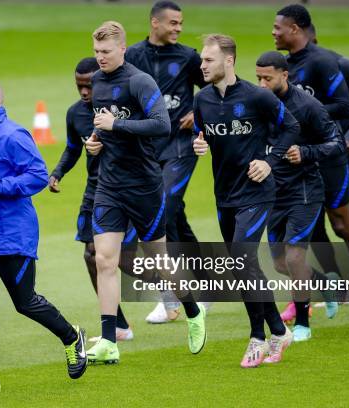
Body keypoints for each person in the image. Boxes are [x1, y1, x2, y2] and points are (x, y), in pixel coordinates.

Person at [0, 80, 87, 394]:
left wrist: (0, 188)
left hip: (12, 238)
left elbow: (37, 175)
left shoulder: (13, 135)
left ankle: (72, 337)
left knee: (25, 303)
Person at [84, 21, 206, 365]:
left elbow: (161, 124)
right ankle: (109, 340)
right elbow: (103, 128)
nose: (101, 58)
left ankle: (194, 312)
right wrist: (96, 143)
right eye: (96, 52)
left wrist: (115, 125)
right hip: (109, 185)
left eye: (106, 52)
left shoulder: (139, 81)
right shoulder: (97, 81)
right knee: (104, 259)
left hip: (145, 186)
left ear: (123, 49)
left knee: (159, 260)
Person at [193, 35, 299, 367]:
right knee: (243, 268)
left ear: (228, 61)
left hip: (257, 192)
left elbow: (291, 127)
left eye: (208, 60)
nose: (202, 66)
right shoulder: (202, 101)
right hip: (224, 195)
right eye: (201, 60)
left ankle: (258, 336)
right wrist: (200, 145)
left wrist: (270, 161)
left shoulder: (257, 97)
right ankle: (280, 331)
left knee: (241, 258)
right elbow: (200, 134)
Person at [273, 4, 349, 320]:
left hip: (334, 155)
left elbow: (346, 106)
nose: (273, 32)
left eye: (278, 27)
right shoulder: (286, 66)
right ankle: (324, 290)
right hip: (302, 157)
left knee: (342, 223)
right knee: (305, 228)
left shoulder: (328, 62)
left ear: (295, 29)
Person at [125, 0, 207, 323]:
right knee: (174, 217)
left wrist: (196, 111)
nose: (178, 29)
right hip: (146, 149)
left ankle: (171, 298)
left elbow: (219, 85)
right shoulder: (132, 56)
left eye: (181, 24)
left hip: (180, 145)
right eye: (173, 23)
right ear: (154, 23)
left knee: (166, 206)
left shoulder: (187, 57)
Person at [255, 51, 345, 341]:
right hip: (272, 193)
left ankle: (303, 324)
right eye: (258, 78)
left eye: (267, 78)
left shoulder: (308, 106)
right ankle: (324, 284)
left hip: (304, 192)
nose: (262, 84)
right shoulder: (259, 102)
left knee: (294, 258)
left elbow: (338, 143)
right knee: (281, 264)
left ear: (285, 75)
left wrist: (305, 153)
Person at [48, 57, 134, 341]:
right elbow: (73, 148)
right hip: (95, 190)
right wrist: (58, 172)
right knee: (91, 255)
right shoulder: (76, 114)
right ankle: (118, 325)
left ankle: (175, 291)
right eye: (79, 86)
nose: (84, 93)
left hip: (127, 188)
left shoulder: (121, 109)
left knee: (128, 260)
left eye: (88, 86)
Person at [306, 23, 349, 319]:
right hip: (311, 156)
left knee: (342, 223)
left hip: (343, 156)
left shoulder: (342, 64)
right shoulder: (295, 70)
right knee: (313, 226)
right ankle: (338, 286)